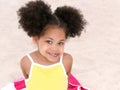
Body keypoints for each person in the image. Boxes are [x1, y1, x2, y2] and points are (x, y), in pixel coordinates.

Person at [17, 0, 86, 90]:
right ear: (36, 38)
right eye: (49, 41)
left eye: (60, 43)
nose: (55, 48)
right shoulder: (27, 62)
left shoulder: (67, 60)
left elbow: (65, 83)